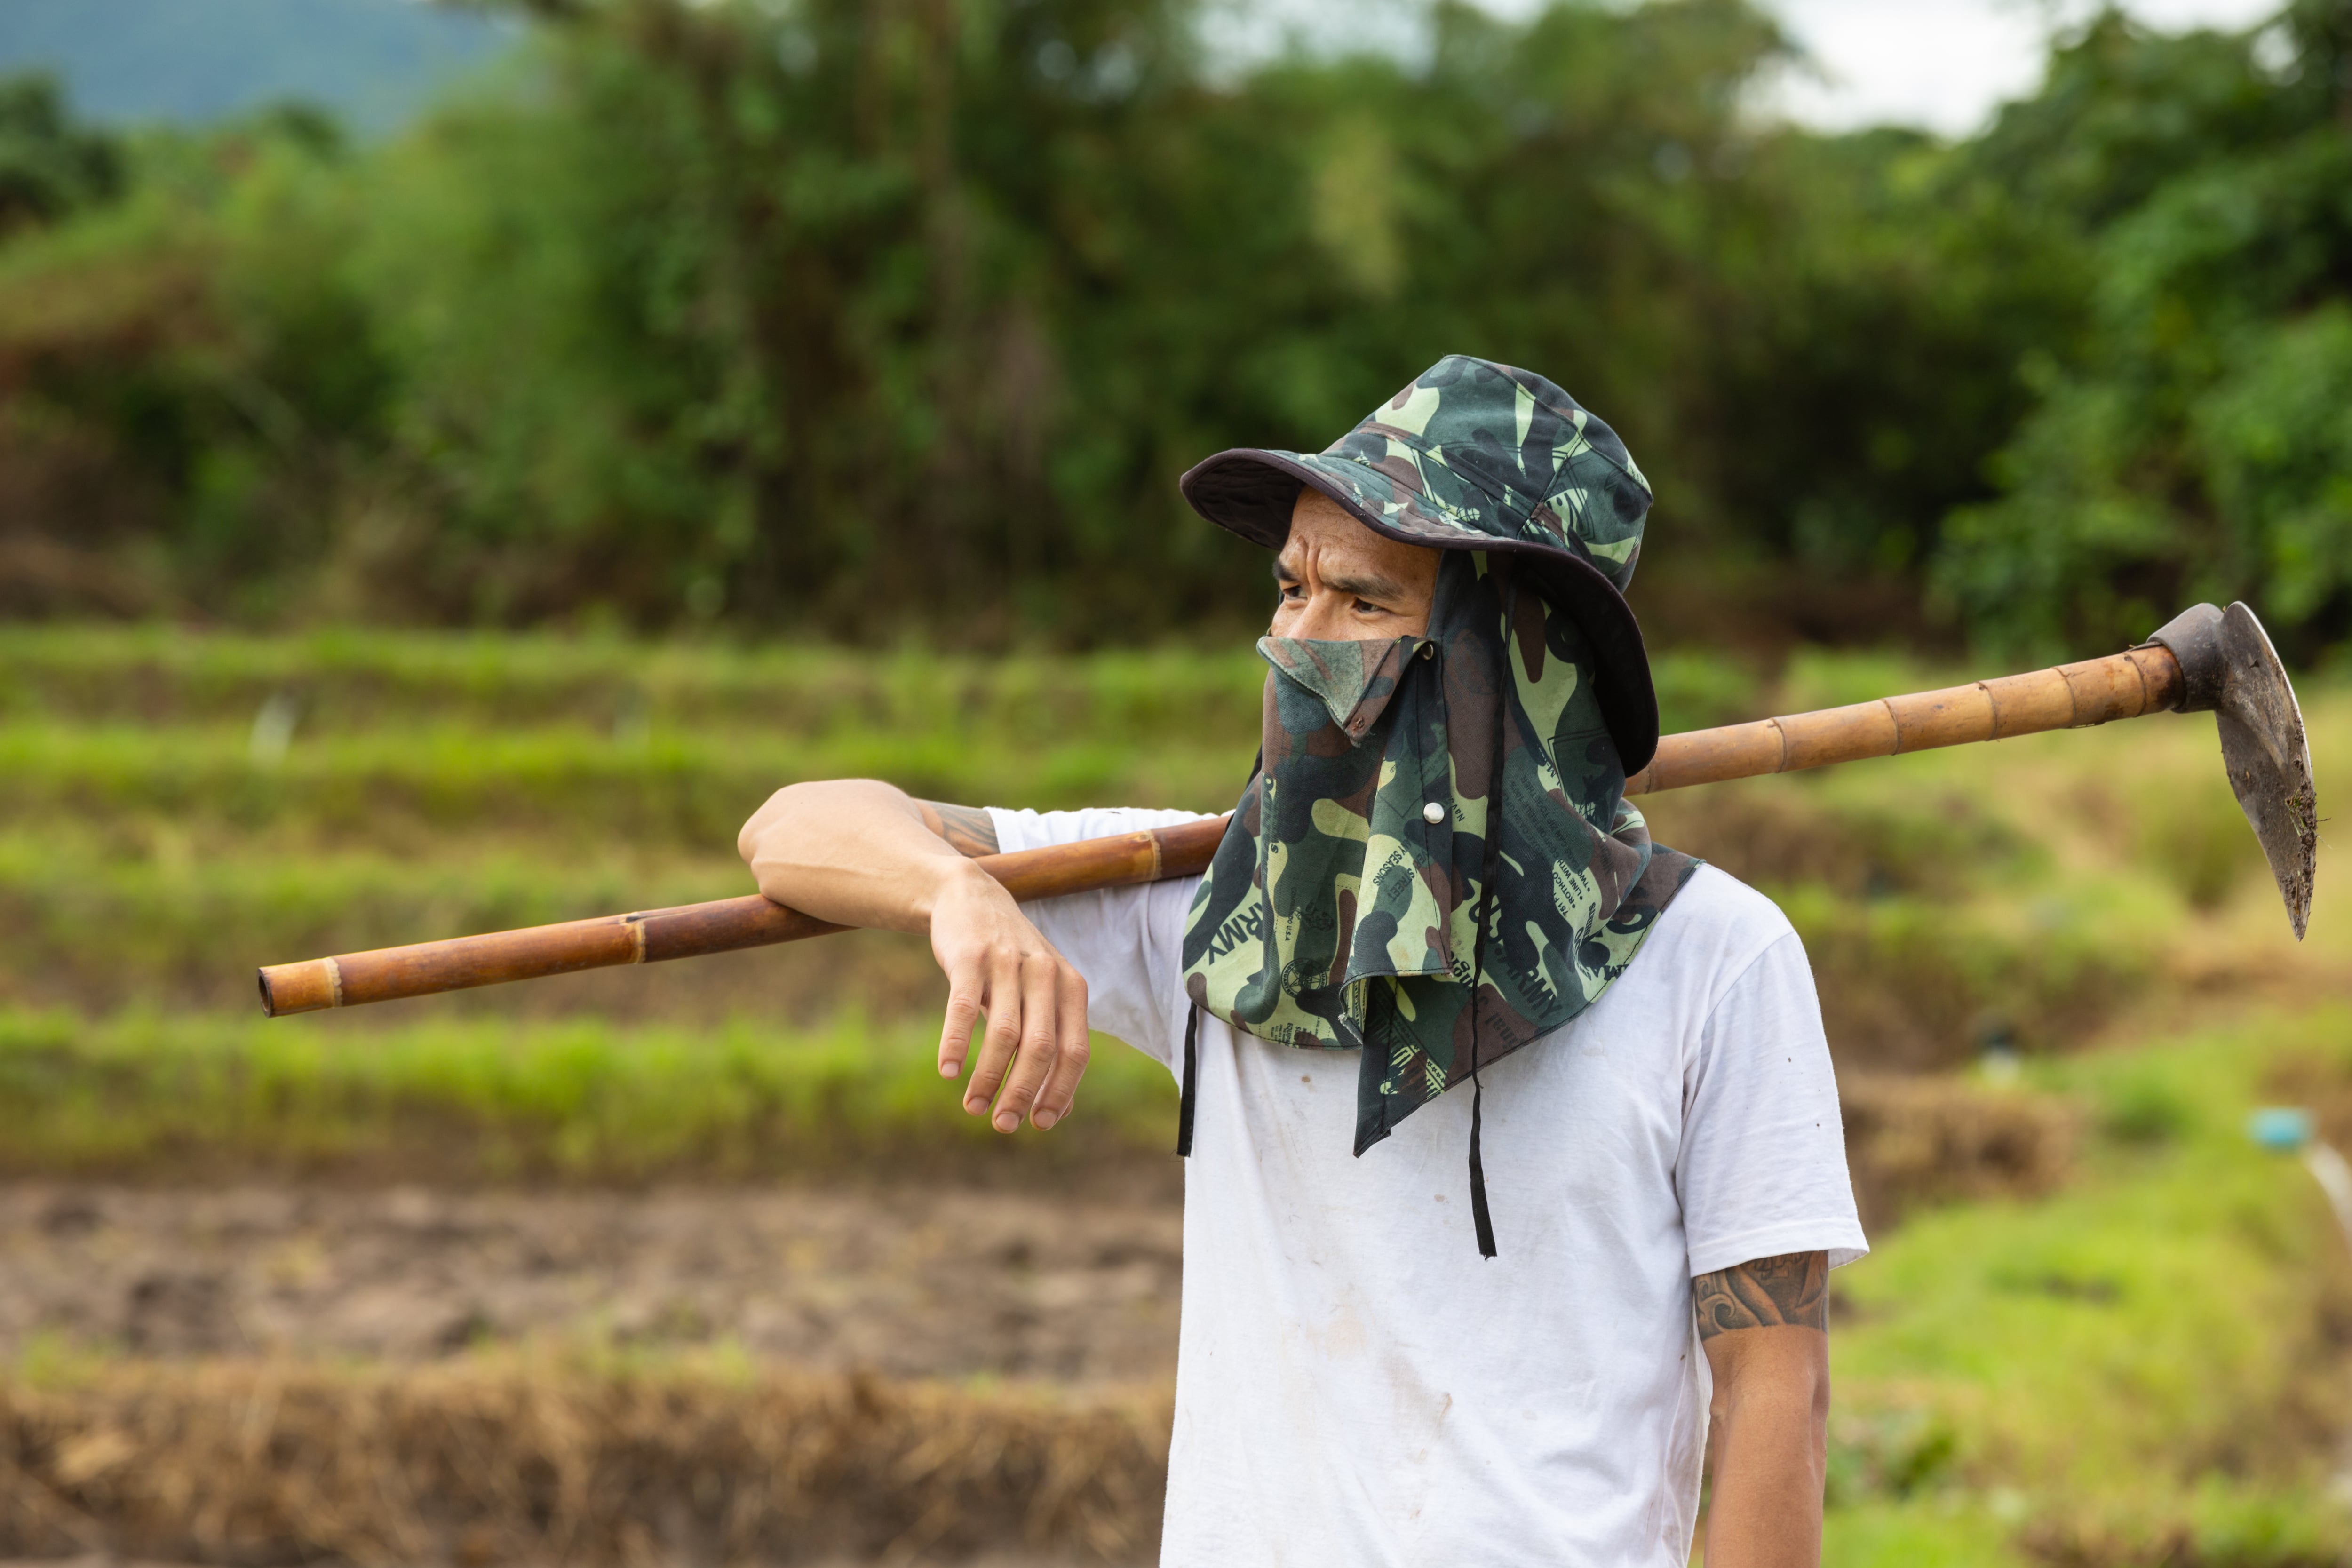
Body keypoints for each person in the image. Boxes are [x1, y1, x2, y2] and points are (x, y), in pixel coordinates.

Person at [739, 355, 1867, 1566]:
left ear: (1504, 652)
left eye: (1363, 602)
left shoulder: (1715, 959)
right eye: (1289, 589)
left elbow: (1772, 1393)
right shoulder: (1208, 911)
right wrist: (953, 891)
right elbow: (793, 825)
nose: (1296, 640)